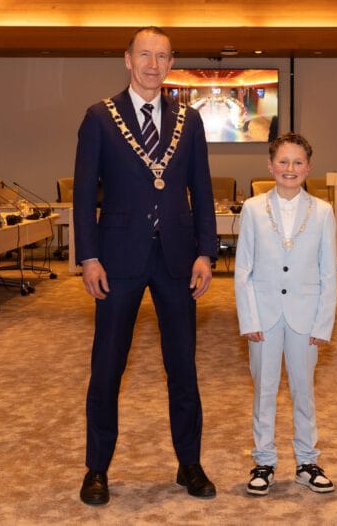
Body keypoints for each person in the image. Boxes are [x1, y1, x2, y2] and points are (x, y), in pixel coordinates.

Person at [73, 26, 219, 506]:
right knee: (107, 367)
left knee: (182, 366)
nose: (153, 64)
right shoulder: (99, 117)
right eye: (145, 55)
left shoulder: (189, 119)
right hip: (117, 259)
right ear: (127, 59)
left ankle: (189, 463)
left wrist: (206, 251)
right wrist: (88, 256)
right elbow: (81, 195)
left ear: (172, 62)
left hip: (177, 257)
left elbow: (202, 187)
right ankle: (97, 469)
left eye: (162, 55)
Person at [233, 132, 337, 496]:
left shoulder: (323, 212)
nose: (289, 169)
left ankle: (307, 461)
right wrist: (249, 319)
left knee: (303, 390)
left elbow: (328, 273)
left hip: (305, 317)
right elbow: (242, 269)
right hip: (264, 314)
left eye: (297, 162)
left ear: (308, 168)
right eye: (282, 161)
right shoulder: (252, 208)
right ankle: (264, 461)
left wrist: (323, 323)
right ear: (270, 166)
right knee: (264, 390)